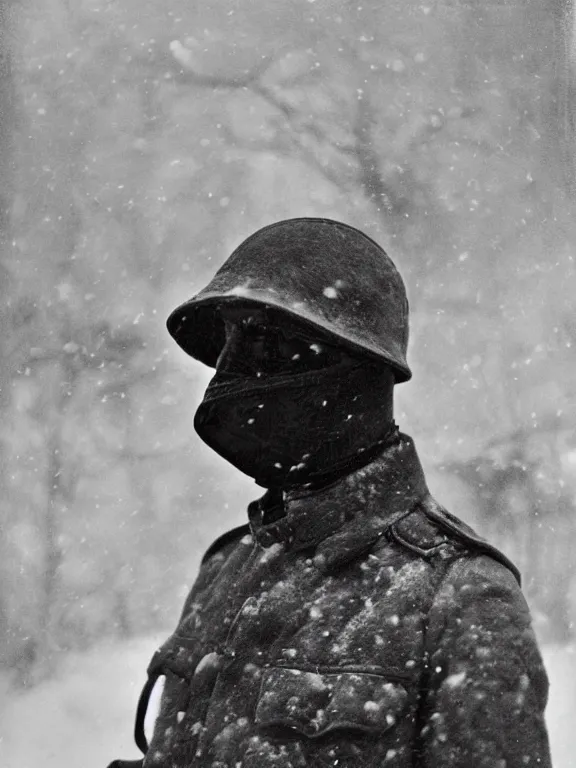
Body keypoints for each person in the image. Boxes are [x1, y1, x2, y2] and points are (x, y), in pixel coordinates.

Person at [109, 218, 551, 768]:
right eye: (230, 344)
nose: (230, 375)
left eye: (264, 345)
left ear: (352, 367)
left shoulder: (460, 596)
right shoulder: (227, 566)